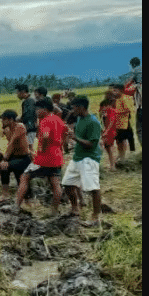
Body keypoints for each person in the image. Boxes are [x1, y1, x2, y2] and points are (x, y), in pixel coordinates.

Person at [16, 98, 66, 215]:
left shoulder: (45, 121)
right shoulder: (57, 119)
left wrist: (42, 149)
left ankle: (16, 206)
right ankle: (54, 210)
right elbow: (65, 133)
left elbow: (46, 136)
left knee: (24, 177)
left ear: (44, 109)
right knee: (55, 182)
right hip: (57, 156)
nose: (36, 112)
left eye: (37, 109)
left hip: (45, 158)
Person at [62, 96, 104, 224]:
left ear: (81, 107)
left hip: (89, 158)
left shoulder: (93, 122)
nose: (72, 110)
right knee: (67, 184)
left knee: (93, 188)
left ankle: (96, 216)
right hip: (78, 157)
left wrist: (75, 138)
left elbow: (92, 144)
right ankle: (75, 208)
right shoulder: (79, 118)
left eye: (74, 107)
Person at [0, 110, 32, 204]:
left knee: (20, 178)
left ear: (11, 120)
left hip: (24, 158)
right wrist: (5, 158)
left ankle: (28, 201)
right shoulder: (8, 129)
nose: (2, 122)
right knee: (4, 168)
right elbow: (11, 146)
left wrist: (5, 160)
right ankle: (5, 194)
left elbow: (12, 143)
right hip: (15, 156)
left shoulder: (19, 126)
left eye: (4, 120)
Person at [111, 83, 137, 160]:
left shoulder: (125, 98)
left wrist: (116, 112)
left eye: (115, 90)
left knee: (128, 140)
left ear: (121, 91)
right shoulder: (116, 99)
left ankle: (131, 156)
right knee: (119, 141)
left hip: (124, 124)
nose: (113, 92)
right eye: (113, 90)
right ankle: (121, 155)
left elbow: (128, 109)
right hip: (118, 124)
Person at [124, 57, 142, 146]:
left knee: (140, 129)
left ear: (133, 64)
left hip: (141, 107)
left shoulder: (135, 71)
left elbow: (127, 84)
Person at [99, 97, 118, 170]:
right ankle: (112, 165)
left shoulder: (112, 111)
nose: (102, 108)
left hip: (110, 132)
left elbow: (111, 122)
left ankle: (112, 166)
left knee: (109, 148)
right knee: (107, 148)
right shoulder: (105, 112)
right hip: (106, 132)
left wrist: (106, 131)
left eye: (103, 107)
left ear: (107, 105)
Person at [16, 84, 37, 149]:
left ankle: (31, 158)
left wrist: (21, 119)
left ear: (22, 92)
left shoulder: (29, 101)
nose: (17, 95)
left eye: (17, 92)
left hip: (30, 126)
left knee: (29, 146)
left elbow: (29, 114)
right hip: (30, 126)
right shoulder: (28, 100)